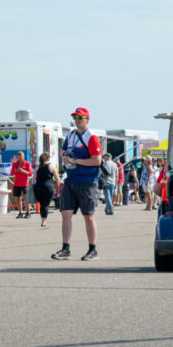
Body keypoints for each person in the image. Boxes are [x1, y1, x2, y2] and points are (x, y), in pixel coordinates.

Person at [53, 107, 102, 261]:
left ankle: (93, 249)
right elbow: (64, 151)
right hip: (71, 179)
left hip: (87, 181)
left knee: (88, 216)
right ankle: (65, 249)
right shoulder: (71, 135)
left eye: (80, 117)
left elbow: (97, 160)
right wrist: (65, 156)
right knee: (65, 213)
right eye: (75, 117)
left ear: (87, 119)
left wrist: (75, 161)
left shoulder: (91, 137)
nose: (77, 120)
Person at [33, 152, 61, 228]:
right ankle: (44, 220)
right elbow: (57, 178)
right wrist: (57, 186)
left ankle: (43, 219)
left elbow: (34, 177)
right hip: (48, 187)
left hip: (38, 187)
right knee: (46, 204)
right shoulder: (51, 166)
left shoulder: (37, 167)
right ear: (48, 158)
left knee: (42, 204)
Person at [9, 151, 33, 218]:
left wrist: (22, 170)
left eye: (21, 158)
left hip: (25, 183)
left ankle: (28, 213)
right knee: (18, 198)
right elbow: (11, 173)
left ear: (23, 157)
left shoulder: (27, 164)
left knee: (26, 198)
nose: (19, 159)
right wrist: (15, 171)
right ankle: (20, 213)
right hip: (17, 183)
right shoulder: (15, 164)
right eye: (18, 158)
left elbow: (30, 173)